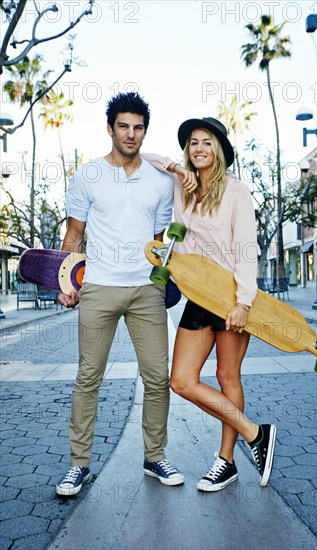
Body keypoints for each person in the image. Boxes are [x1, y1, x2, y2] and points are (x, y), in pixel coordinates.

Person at [55, 92, 196, 496]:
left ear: (144, 131)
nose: (130, 134)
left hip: (146, 290)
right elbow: (74, 234)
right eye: (123, 126)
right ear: (110, 129)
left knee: (157, 377)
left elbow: (160, 240)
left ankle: (155, 456)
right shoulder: (88, 174)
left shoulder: (160, 180)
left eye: (138, 127)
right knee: (88, 378)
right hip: (98, 287)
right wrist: (67, 283)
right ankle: (78, 465)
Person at [144, 117, 277, 491]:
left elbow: (247, 250)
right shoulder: (180, 186)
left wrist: (244, 302)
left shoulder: (237, 191)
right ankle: (256, 434)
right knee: (182, 380)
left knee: (226, 377)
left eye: (206, 142)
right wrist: (175, 168)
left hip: (231, 295)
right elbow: (146, 156)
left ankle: (226, 461)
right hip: (199, 296)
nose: (198, 148)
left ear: (217, 149)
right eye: (192, 143)